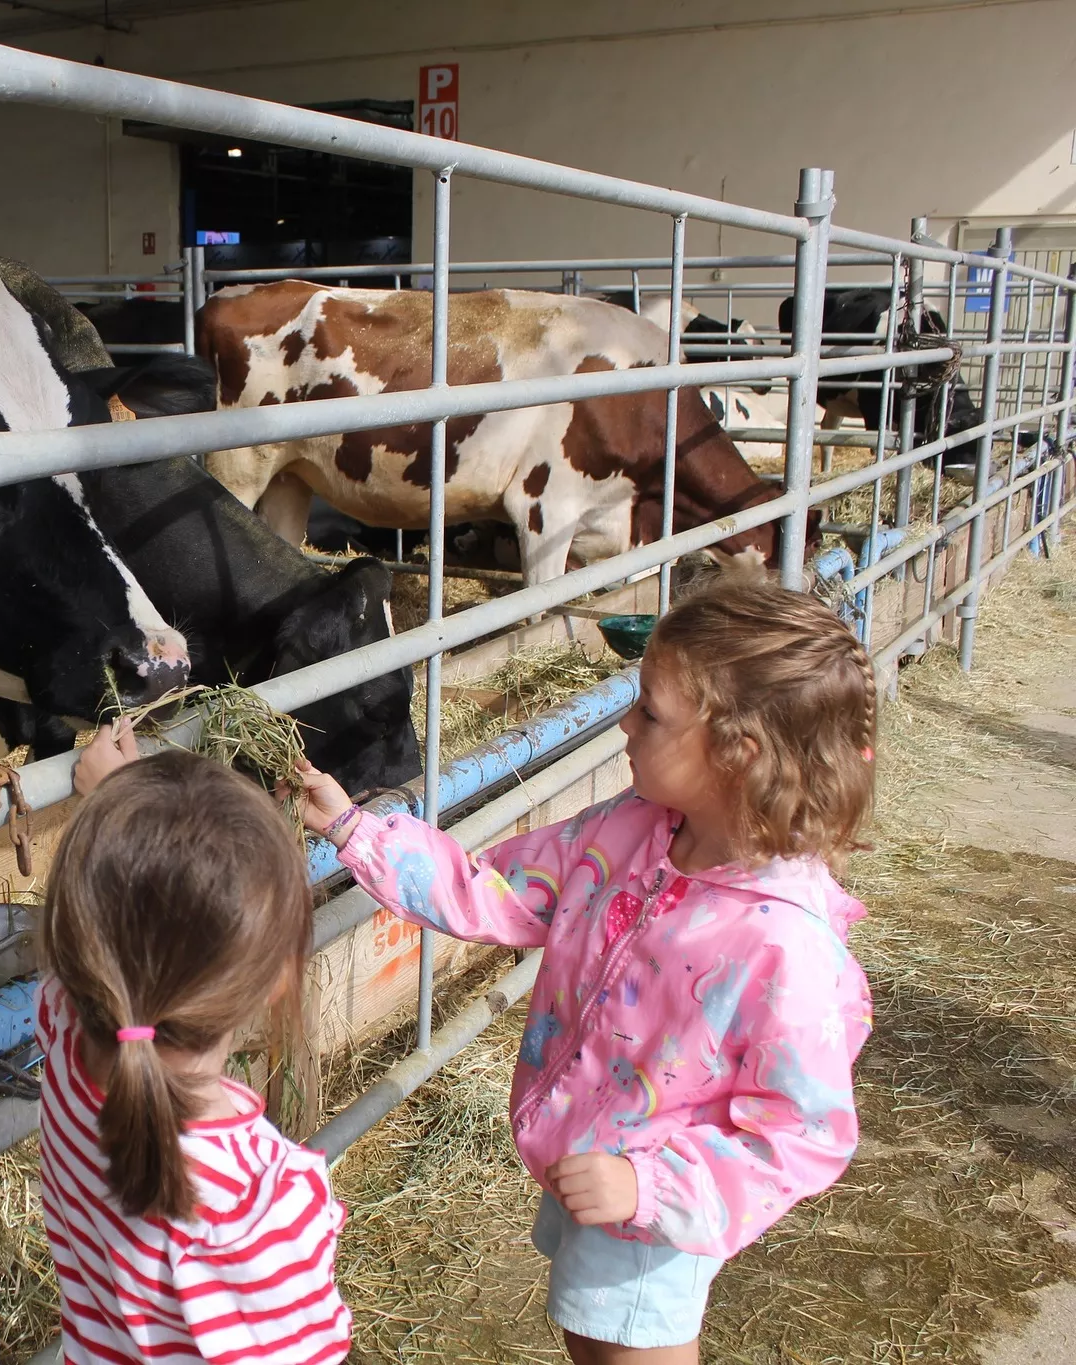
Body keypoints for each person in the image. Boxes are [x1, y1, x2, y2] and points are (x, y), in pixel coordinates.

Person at [291, 577, 876, 1365]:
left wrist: (651, 1189)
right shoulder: (631, 829)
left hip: (653, 1192)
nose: (625, 721)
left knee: (627, 1348)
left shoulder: (782, 944)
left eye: (650, 711)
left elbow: (804, 1134)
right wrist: (357, 829)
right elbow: (489, 889)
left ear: (738, 753)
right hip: (586, 1147)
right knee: (591, 1338)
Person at [36, 731, 351, 1365]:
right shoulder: (259, 1205)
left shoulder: (68, 1048)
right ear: (278, 979)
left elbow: (103, 934)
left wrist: (112, 804)